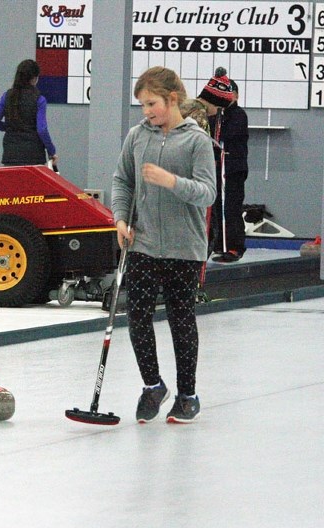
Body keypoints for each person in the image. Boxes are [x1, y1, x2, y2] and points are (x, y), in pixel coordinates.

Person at [111, 66, 216, 423]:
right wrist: (120, 219)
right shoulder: (137, 137)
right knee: (137, 316)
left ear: (172, 99)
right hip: (142, 245)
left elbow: (206, 193)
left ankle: (188, 394)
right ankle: (153, 385)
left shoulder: (197, 141)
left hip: (183, 249)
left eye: (151, 103)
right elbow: (122, 180)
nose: (146, 112)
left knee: (180, 320)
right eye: (142, 105)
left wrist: (171, 181)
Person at [198, 67, 249, 263]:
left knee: (231, 208)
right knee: (216, 206)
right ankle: (219, 243)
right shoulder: (213, 115)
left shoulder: (238, 115)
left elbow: (229, 137)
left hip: (233, 169)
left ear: (234, 96)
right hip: (216, 169)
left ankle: (235, 246)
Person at [0, 59, 58, 168]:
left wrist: (10, 127)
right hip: (34, 155)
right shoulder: (39, 100)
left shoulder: (7, 96)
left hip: (10, 154)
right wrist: (51, 151)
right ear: (35, 79)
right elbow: (42, 130)